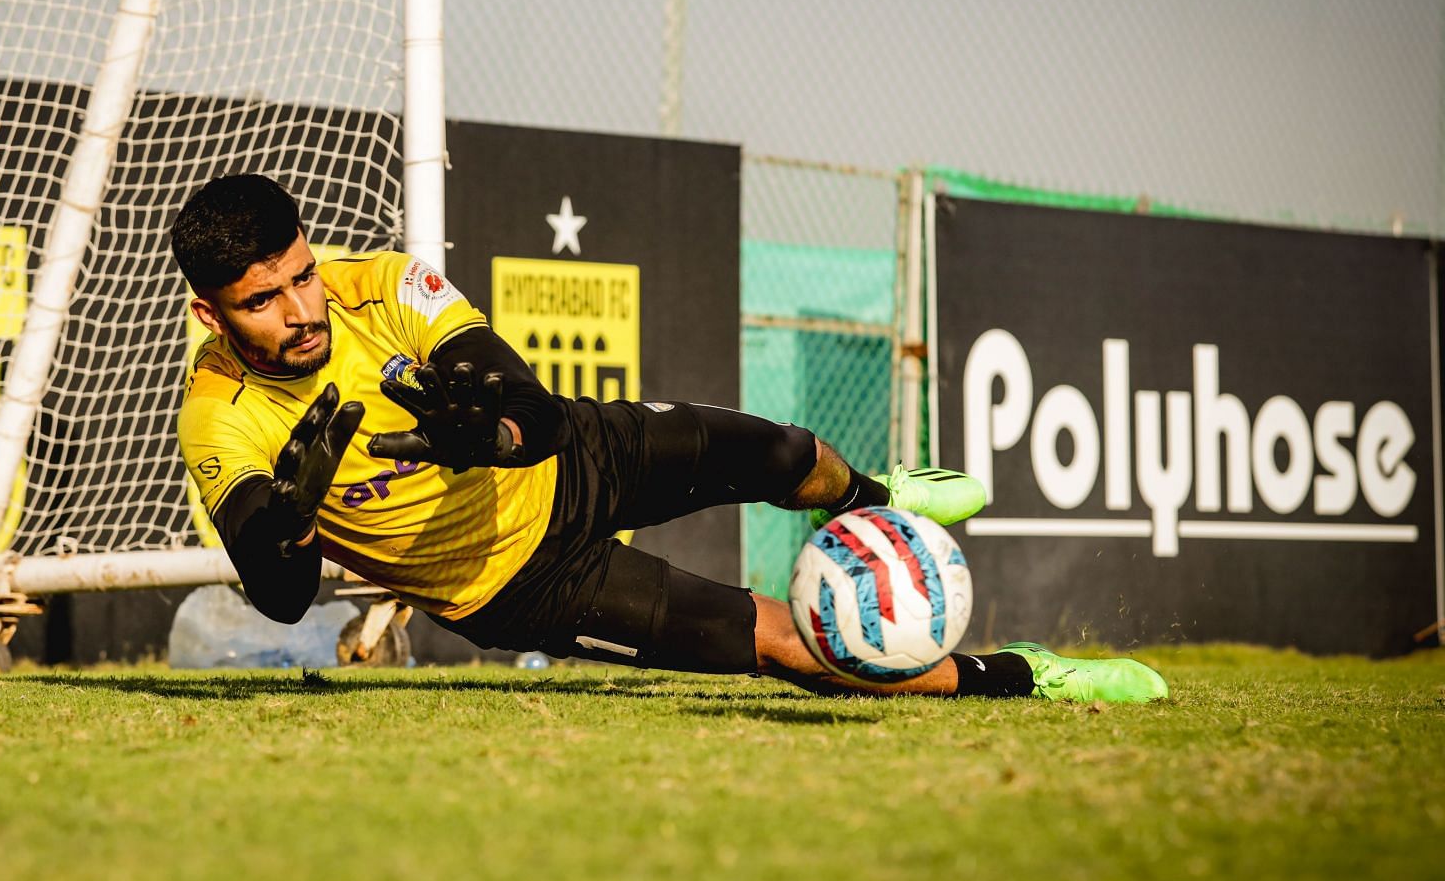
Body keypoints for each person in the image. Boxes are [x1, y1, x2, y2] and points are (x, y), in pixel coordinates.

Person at [171, 174, 1168, 703]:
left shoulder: (380, 283)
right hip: (518, 584)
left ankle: (879, 494)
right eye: (263, 299)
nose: (300, 308)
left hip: (577, 458)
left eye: (300, 274)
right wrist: (293, 530)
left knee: (782, 453)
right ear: (215, 316)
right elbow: (284, 589)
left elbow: (540, 412)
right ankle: (1030, 673)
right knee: (793, 643)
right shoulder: (217, 420)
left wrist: (494, 427)